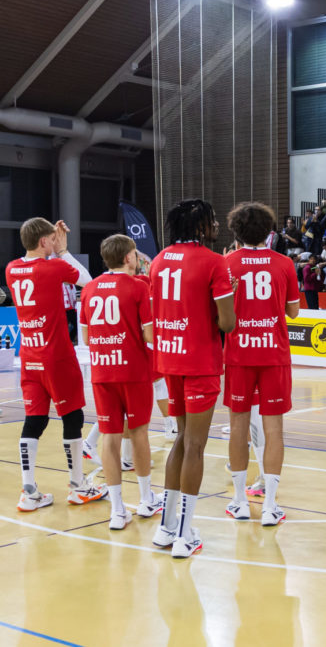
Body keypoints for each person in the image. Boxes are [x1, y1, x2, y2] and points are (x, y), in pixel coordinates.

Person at [150, 199, 236, 558]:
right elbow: (228, 322)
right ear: (200, 226)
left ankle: (166, 528)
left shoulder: (158, 260)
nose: (217, 226)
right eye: (212, 221)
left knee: (182, 440)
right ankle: (185, 535)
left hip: (170, 360)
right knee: (196, 446)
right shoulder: (214, 262)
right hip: (200, 361)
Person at [6, 218, 104, 512]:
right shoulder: (53, 266)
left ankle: (29, 490)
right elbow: (88, 281)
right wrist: (63, 251)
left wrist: (54, 244)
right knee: (73, 418)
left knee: (34, 420)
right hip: (57, 356)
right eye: (52, 238)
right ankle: (78, 486)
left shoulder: (12, 269)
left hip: (30, 357)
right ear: (44, 242)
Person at [222, 203, 299, 527]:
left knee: (238, 429)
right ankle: (269, 505)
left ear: (236, 233)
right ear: (269, 232)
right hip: (273, 355)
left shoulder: (226, 263)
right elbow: (293, 312)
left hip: (239, 355)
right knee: (274, 430)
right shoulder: (284, 263)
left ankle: (239, 501)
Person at [78, 235, 162, 530]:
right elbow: (150, 335)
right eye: (136, 254)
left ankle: (117, 510)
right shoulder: (138, 287)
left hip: (102, 372)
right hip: (133, 372)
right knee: (139, 434)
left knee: (110, 438)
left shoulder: (89, 289)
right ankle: (145, 499)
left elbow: (86, 337)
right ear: (128, 258)